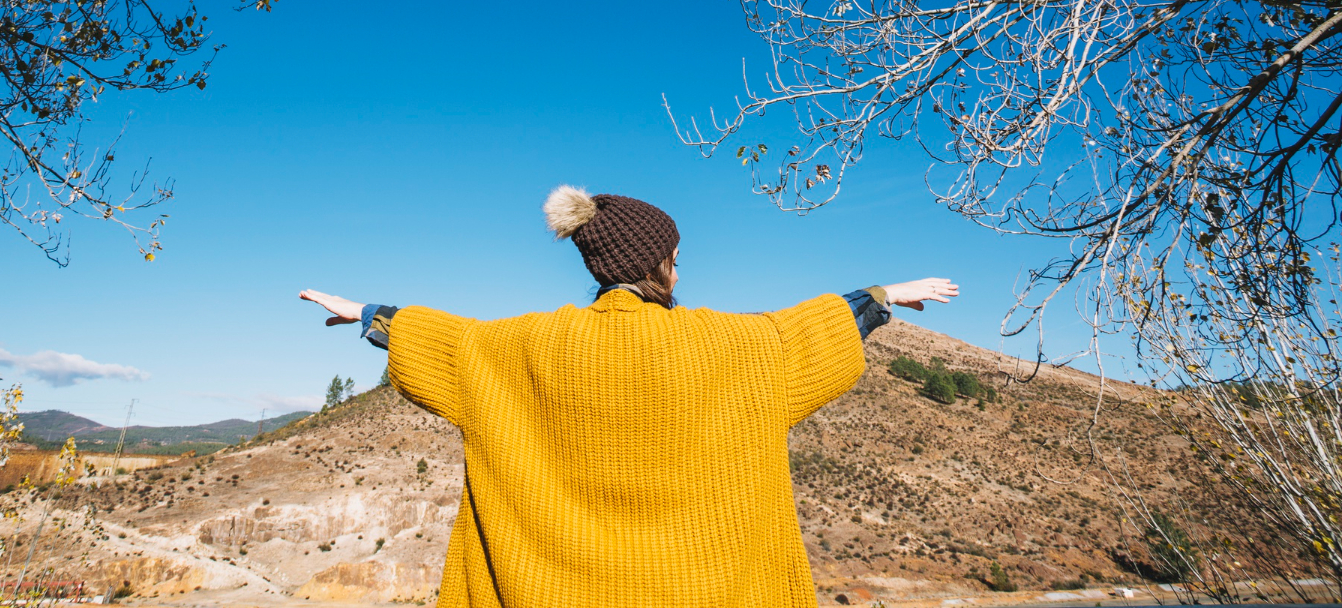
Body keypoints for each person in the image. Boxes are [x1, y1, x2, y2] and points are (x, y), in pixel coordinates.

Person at [299, 186, 958, 608]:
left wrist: (369, 315)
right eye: (677, 255)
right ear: (658, 265)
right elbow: (811, 330)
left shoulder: (521, 348)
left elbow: (440, 337)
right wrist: (881, 297)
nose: (682, 267)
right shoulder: (736, 346)